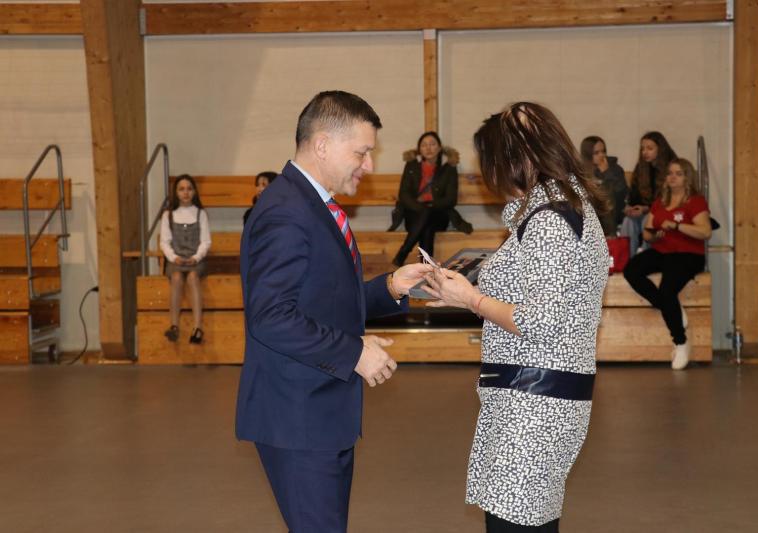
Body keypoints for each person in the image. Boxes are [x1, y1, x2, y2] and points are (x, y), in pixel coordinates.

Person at [235, 90, 431, 533]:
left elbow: (324, 300)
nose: (369, 165)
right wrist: (354, 353)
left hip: (320, 413)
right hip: (297, 417)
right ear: (322, 144)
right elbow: (270, 317)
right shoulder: (286, 212)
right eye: (361, 152)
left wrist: (391, 287)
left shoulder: (311, 205)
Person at [423, 102, 609, 532]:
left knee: (515, 524)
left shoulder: (549, 221)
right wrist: (463, 295)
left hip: (533, 403)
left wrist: (471, 299)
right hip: (538, 397)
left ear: (515, 159)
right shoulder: (561, 210)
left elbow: (540, 320)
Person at [623, 158, 712, 370]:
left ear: (687, 178)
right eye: (670, 173)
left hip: (688, 254)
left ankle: (680, 342)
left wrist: (677, 226)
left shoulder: (695, 201)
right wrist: (655, 236)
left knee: (667, 289)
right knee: (631, 270)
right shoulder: (660, 202)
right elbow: (647, 232)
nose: (672, 177)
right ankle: (669, 307)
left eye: (678, 173)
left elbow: (705, 231)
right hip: (663, 251)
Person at [390, 131, 460, 266]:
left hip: (439, 215)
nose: (428, 148)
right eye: (424, 145)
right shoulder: (411, 166)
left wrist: (430, 206)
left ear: (439, 148)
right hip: (414, 215)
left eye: (432, 144)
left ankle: (403, 253)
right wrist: (421, 208)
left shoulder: (448, 169)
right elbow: (403, 194)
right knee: (427, 224)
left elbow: (451, 199)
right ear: (419, 149)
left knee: (427, 216)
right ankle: (427, 267)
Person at [160, 174, 211, 344]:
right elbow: (164, 242)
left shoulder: (200, 214)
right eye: (181, 189)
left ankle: (197, 327)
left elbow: (205, 241)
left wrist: (196, 257)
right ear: (176, 193)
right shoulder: (168, 215)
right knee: (176, 278)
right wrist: (174, 258)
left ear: (194, 192)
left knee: (192, 277)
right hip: (176, 261)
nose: (185, 192)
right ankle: (174, 325)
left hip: (196, 261)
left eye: (189, 188)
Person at [620, 131, 677, 257]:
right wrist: (631, 208)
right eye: (643, 149)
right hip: (645, 212)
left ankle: (647, 258)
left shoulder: (672, 169)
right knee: (628, 221)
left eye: (649, 148)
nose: (645, 152)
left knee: (648, 220)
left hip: (664, 214)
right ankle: (628, 260)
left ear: (660, 149)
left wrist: (647, 209)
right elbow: (634, 196)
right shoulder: (641, 168)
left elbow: (670, 200)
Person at [580, 135, 627, 236]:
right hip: (590, 213)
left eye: (603, 151)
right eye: (596, 153)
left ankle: (610, 235)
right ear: (588, 154)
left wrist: (606, 173)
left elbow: (621, 193)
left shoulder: (615, 169)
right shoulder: (581, 172)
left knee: (607, 200)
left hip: (614, 211)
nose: (602, 155)